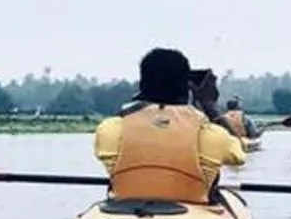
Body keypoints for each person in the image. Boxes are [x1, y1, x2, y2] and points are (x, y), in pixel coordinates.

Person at [92, 47, 246, 202]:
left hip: (124, 207)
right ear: (187, 87)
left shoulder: (109, 130)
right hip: (192, 208)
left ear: (141, 84)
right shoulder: (211, 135)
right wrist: (209, 105)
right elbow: (239, 154)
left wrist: (138, 103)